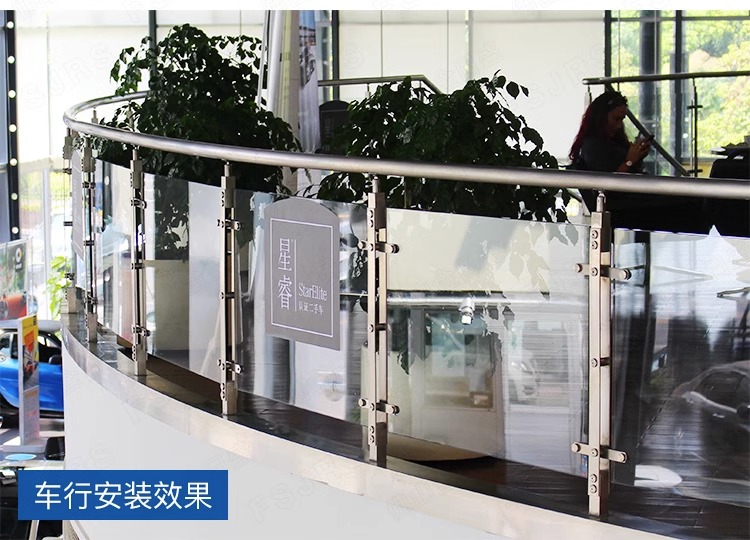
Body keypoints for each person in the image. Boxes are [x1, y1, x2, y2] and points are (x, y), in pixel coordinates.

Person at [569, 90, 651, 174]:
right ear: (601, 118)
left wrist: (638, 155)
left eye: (621, 120)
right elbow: (606, 180)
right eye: (616, 119)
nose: (619, 125)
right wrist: (630, 161)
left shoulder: (616, 141)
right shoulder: (593, 146)